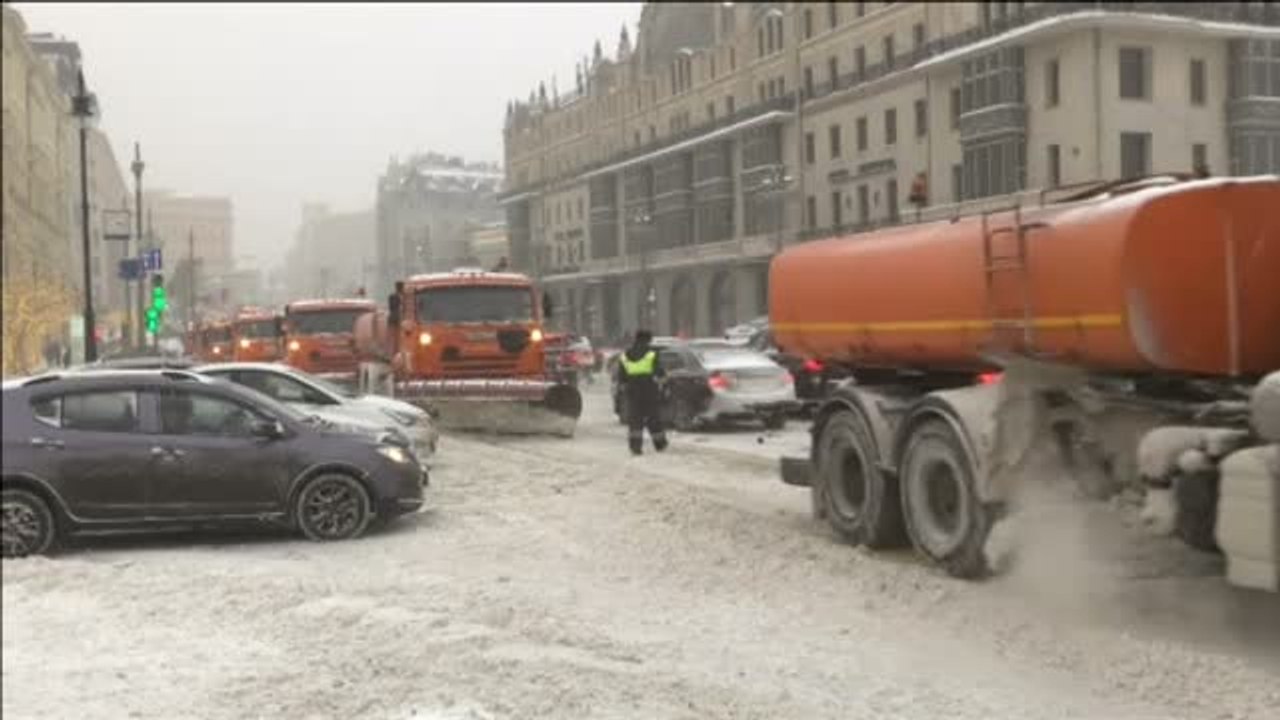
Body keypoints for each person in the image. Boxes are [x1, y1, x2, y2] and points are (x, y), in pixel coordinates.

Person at [615, 329, 668, 456]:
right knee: (653, 417)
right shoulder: (651, 353)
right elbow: (659, 372)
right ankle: (660, 444)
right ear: (648, 339)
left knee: (635, 420)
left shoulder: (625, 354)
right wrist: (663, 383)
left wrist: (623, 387)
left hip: (632, 391)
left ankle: (635, 447)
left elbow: (621, 376)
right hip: (649, 389)